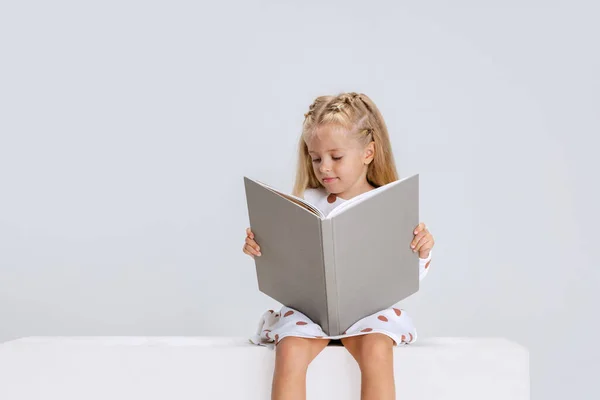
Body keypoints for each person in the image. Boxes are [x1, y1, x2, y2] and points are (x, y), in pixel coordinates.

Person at [242, 92, 435, 400]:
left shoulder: (387, 203)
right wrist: (260, 247)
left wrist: (422, 251)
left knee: (376, 348)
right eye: (316, 158)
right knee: (290, 348)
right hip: (311, 312)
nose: (324, 168)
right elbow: (286, 260)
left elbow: (404, 271)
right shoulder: (307, 202)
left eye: (336, 157)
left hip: (367, 312)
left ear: (368, 153)